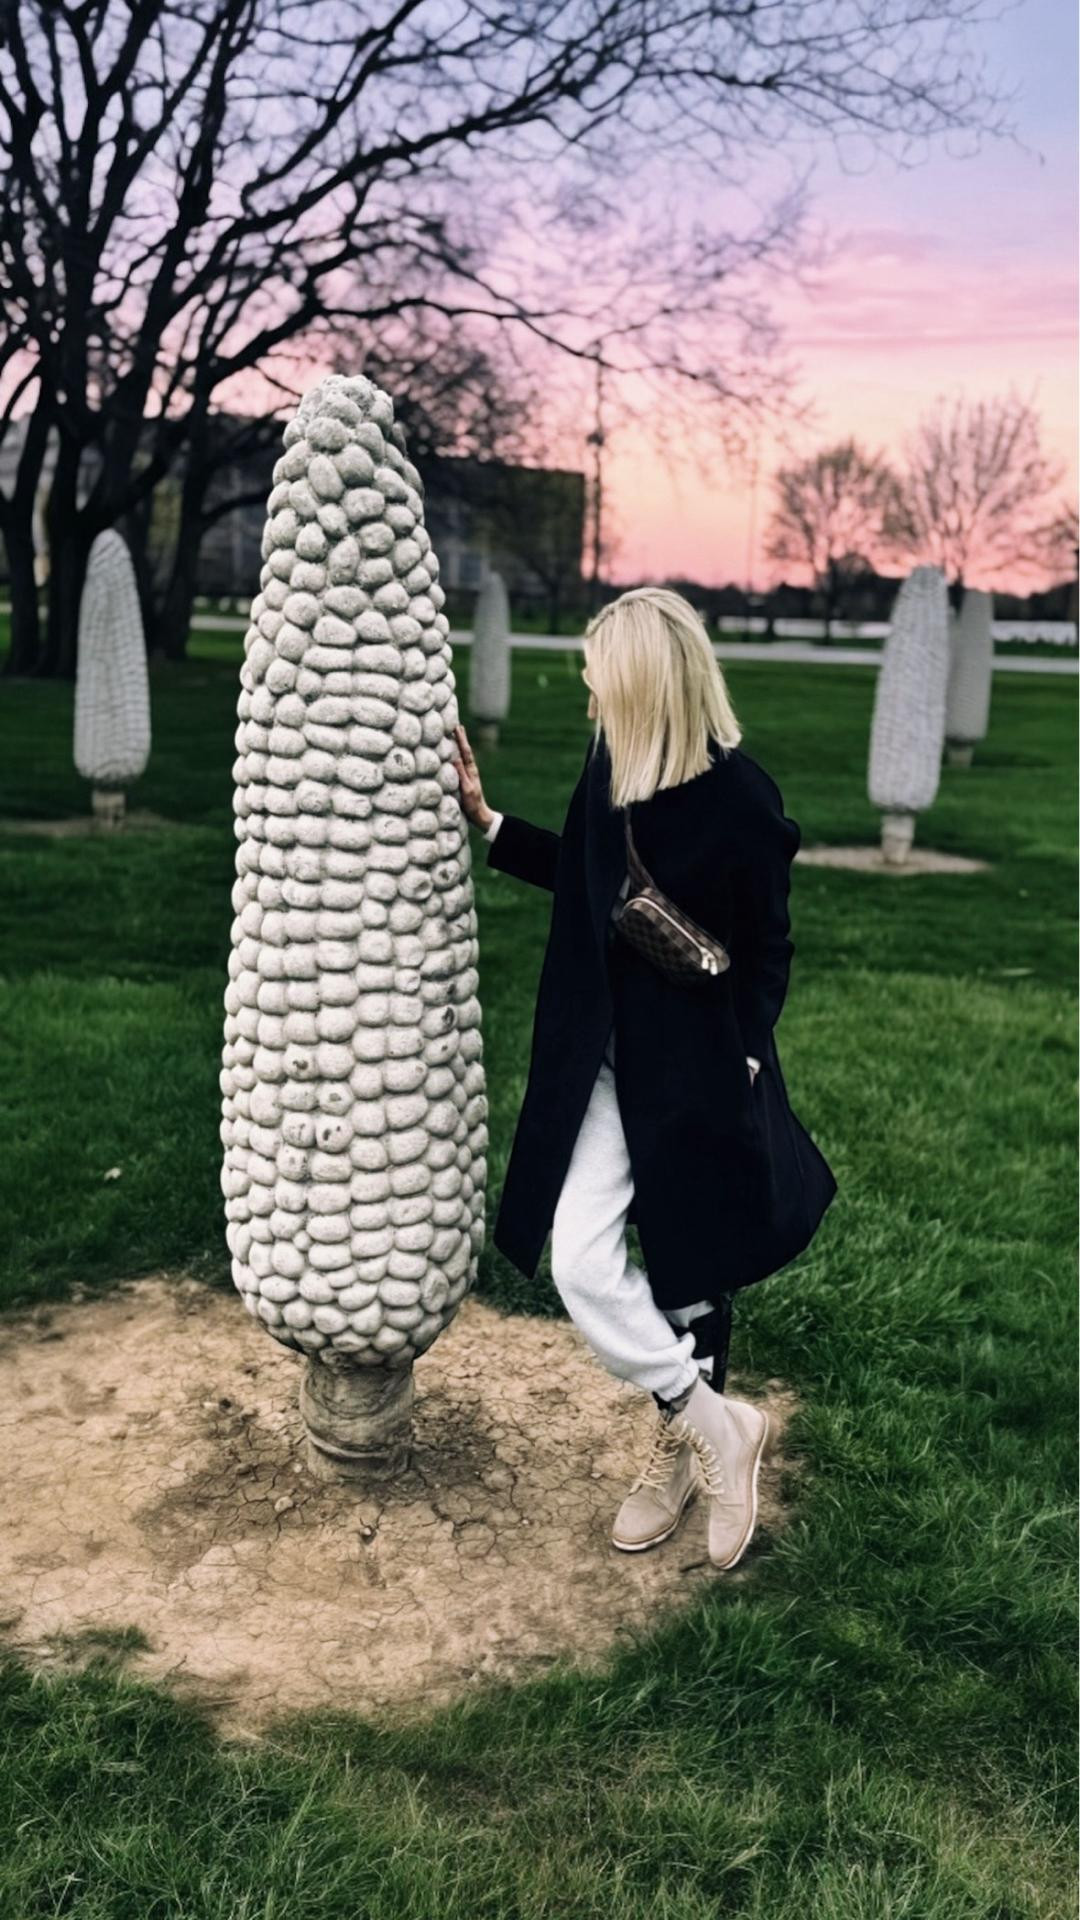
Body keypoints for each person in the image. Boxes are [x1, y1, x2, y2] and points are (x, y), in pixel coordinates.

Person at [452, 587, 837, 1570]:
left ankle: (681, 1449)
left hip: (696, 1074)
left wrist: (743, 1056)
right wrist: (489, 824)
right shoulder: (610, 773)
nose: (587, 699)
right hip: (602, 1062)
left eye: (596, 682)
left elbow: (771, 950)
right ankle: (713, 1424)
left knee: (690, 1265)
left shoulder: (742, 803)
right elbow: (587, 876)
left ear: (640, 685)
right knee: (582, 1263)